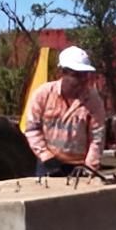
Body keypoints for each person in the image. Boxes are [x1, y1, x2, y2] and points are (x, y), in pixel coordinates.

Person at [24, 46, 108, 178]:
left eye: (85, 75)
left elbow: (97, 137)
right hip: (47, 164)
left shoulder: (93, 100)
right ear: (62, 73)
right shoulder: (43, 94)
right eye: (76, 75)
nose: (82, 80)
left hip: (79, 167)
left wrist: (90, 166)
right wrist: (46, 156)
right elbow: (32, 129)